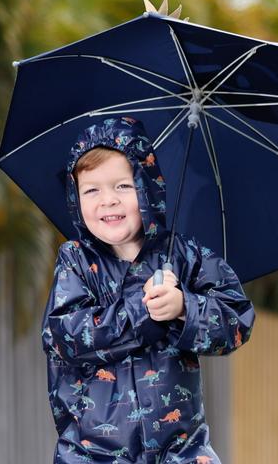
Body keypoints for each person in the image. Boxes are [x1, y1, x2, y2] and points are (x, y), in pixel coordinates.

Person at [41, 116, 256, 464]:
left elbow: (237, 320)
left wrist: (184, 307)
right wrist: (143, 311)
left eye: (122, 186)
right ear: (74, 197)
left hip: (180, 450)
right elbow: (62, 337)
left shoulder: (185, 256)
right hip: (92, 451)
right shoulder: (76, 261)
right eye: (92, 190)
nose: (107, 200)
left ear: (148, 187)